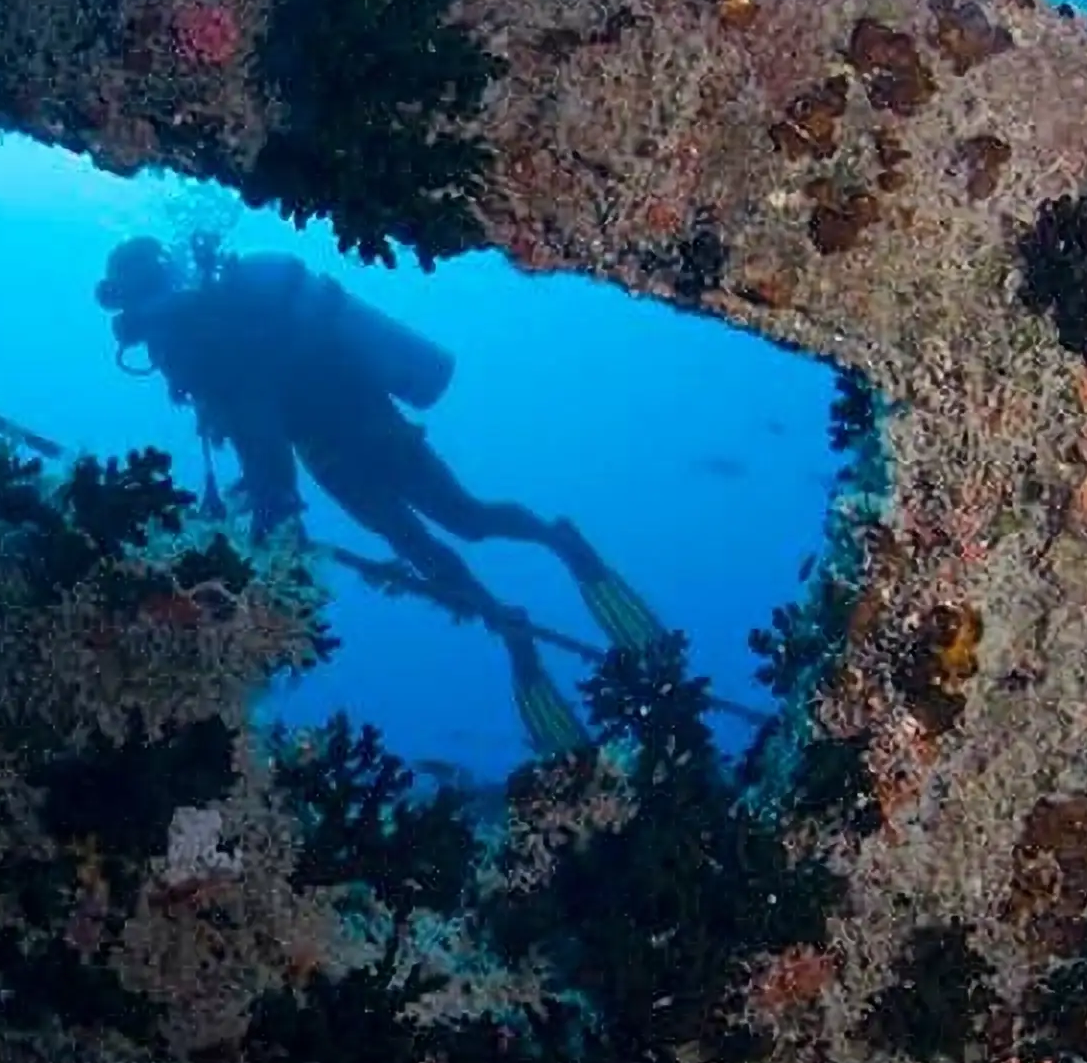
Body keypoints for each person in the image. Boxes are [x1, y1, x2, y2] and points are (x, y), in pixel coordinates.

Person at [93, 235, 666, 755]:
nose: (147, 337)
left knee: (463, 517)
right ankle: (503, 621)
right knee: (416, 540)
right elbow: (253, 427)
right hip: (329, 450)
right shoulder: (202, 331)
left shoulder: (214, 323)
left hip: (363, 421)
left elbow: (257, 421)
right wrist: (274, 492)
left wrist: (276, 504)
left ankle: (557, 541)